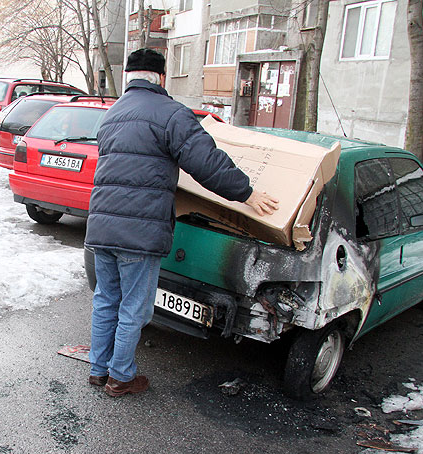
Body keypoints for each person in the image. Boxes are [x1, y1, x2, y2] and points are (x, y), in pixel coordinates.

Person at [85, 48, 278, 397]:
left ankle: (99, 371)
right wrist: (247, 194)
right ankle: (121, 377)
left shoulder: (112, 114)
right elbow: (206, 162)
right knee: (132, 307)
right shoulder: (171, 114)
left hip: (101, 226)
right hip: (139, 232)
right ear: (160, 77)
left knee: (106, 300)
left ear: (129, 76)